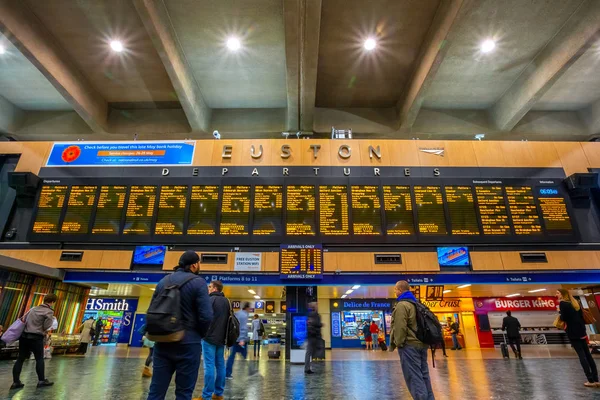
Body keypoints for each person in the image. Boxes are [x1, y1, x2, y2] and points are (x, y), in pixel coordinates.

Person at [147, 250, 213, 400]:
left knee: (156, 391)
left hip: (163, 341)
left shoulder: (163, 281)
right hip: (188, 343)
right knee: (184, 393)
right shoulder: (198, 282)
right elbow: (207, 316)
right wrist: (200, 334)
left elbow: (152, 309)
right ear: (195, 265)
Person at [390, 281, 434, 400]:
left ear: (399, 290)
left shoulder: (402, 305)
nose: (394, 292)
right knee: (424, 374)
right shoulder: (417, 303)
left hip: (409, 345)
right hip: (422, 344)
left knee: (414, 376)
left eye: (395, 289)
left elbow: (400, 327)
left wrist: (398, 343)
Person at [11, 293, 58, 390]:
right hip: (36, 338)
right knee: (39, 359)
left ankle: (16, 382)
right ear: (52, 302)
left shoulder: (33, 308)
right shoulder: (49, 312)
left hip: (24, 337)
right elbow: (46, 326)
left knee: (20, 359)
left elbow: (24, 320)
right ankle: (41, 381)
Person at [557, 288, 599, 388]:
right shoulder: (576, 302)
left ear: (563, 294)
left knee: (581, 355)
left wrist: (559, 312)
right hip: (581, 330)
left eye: (557, 293)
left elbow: (563, 318)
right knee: (588, 355)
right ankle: (596, 379)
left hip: (573, 332)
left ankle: (590, 380)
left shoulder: (563, 304)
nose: (556, 295)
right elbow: (580, 315)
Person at [201, 280, 230, 400]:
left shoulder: (209, 300)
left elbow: (204, 318)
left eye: (209, 287)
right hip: (221, 338)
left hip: (209, 338)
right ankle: (218, 394)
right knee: (221, 365)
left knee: (209, 366)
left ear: (214, 289)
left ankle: (206, 396)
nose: (208, 289)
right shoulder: (226, 301)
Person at [226, 302, 250, 379]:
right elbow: (243, 328)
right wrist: (242, 339)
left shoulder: (237, 313)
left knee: (232, 356)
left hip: (234, 338)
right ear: (247, 308)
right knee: (244, 355)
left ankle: (227, 373)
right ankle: (251, 371)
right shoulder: (244, 315)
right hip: (240, 340)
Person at [305, 302, 322, 375]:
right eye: (316, 305)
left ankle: (307, 368)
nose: (318, 306)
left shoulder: (311, 315)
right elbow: (315, 323)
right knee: (310, 352)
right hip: (313, 336)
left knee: (310, 352)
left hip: (312, 336)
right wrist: (320, 324)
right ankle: (307, 368)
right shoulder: (313, 315)